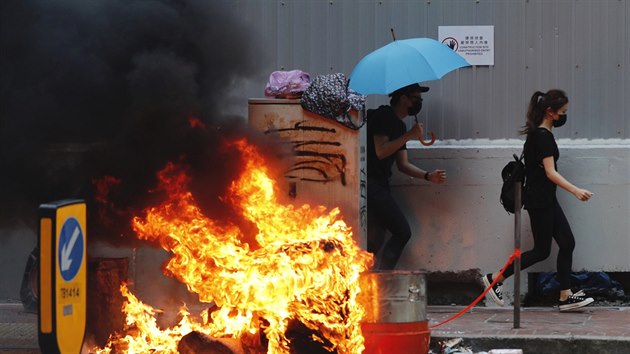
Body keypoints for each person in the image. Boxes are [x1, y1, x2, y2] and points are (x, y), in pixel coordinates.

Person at [482, 89, 595, 311]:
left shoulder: (537, 135)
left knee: (567, 243)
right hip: (540, 201)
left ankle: (565, 295)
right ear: (550, 112)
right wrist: (575, 190)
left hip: (545, 199)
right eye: (563, 112)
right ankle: (496, 278)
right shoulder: (543, 137)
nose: (565, 116)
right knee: (541, 250)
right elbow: (550, 173)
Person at [366, 83, 447, 270]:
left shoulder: (400, 126)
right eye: (416, 99)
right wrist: (411, 134)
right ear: (403, 99)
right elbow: (381, 151)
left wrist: (428, 176)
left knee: (375, 240)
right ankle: (384, 281)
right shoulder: (384, 116)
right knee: (402, 231)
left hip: (381, 185)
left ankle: (369, 284)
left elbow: (403, 164)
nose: (419, 103)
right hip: (371, 185)